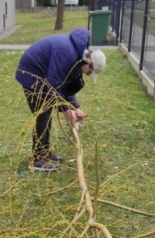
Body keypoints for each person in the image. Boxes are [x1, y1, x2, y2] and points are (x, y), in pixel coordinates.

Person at [15, 28, 106, 172]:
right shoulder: (67, 54)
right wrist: (67, 111)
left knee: (46, 113)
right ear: (89, 62)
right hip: (31, 74)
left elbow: (64, 86)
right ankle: (37, 159)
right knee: (43, 114)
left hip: (42, 76)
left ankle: (44, 152)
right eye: (90, 72)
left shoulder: (77, 57)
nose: (88, 75)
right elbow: (53, 86)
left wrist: (75, 107)